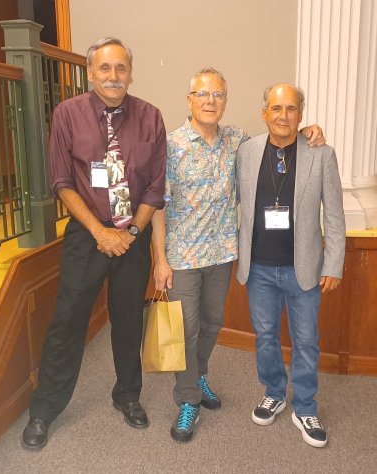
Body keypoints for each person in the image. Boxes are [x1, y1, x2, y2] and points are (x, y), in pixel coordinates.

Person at [151, 69, 325, 442]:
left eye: (218, 95)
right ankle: (187, 401)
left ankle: (198, 375)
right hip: (182, 256)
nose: (210, 101)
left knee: (212, 323)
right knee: (185, 330)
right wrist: (159, 260)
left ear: (226, 101)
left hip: (222, 254)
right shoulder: (171, 145)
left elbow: (282, 134)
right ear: (189, 100)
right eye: (203, 94)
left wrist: (308, 128)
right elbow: (158, 206)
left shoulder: (238, 143)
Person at [21, 37, 166, 450]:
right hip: (87, 237)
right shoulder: (67, 114)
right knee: (67, 321)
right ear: (91, 73)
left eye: (121, 68)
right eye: (105, 68)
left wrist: (131, 234)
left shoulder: (151, 117)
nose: (114, 76)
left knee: (127, 320)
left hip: (132, 237)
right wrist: (101, 232)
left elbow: (155, 189)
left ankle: (128, 396)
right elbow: (61, 182)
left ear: (131, 73)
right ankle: (44, 409)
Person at [236, 83, 346, 448]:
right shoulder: (247, 151)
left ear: (301, 114)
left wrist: (334, 263)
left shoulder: (321, 154)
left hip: (304, 269)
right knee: (265, 336)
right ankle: (273, 391)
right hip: (260, 269)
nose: (283, 115)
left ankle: (305, 406)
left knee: (306, 340)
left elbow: (334, 213)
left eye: (291, 109)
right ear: (264, 112)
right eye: (276, 108)